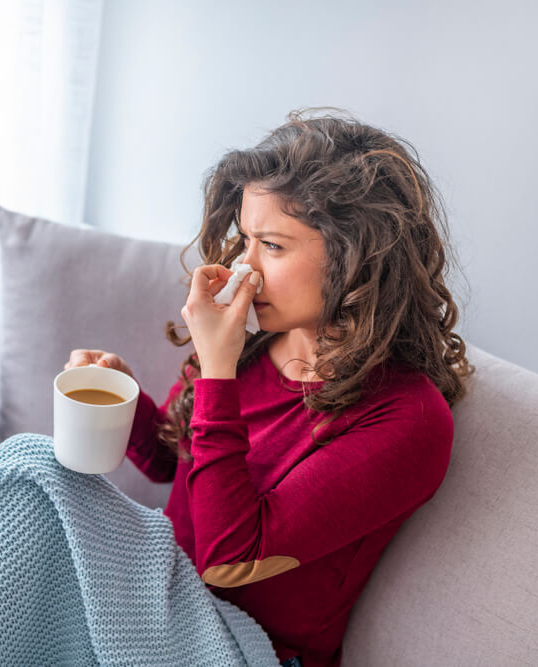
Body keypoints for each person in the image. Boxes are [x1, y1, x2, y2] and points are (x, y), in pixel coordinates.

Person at [64, 107, 474, 666]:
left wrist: (216, 368)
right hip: (156, 602)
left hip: (242, 647)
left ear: (356, 259)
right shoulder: (256, 339)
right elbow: (173, 465)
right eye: (245, 240)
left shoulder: (407, 419)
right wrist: (123, 397)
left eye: (273, 246)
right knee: (28, 476)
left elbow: (229, 558)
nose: (244, 270)